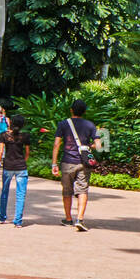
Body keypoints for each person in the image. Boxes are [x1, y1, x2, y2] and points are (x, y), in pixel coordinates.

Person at [52, 99, 102, 232]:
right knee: (82, 190)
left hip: (67, 162)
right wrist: (88, 146)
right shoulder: (90, 125)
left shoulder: (63, 124)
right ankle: (80, 219)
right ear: (84, 112)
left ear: (71, 110)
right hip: (83, 163)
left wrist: (54, 163)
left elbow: (57, 144)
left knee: (67, 191)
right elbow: (99, 145)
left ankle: (68, 219)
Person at [0, 114, 30, 226]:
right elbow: (27, 153)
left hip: (8, 166)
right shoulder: (25, 136)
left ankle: (2, 217)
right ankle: (18, 221)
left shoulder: (4, 135)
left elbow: (0, 152)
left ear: (11, 123)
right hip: (21, 167)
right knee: (21, 194)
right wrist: (23, 161)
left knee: (4, 192)